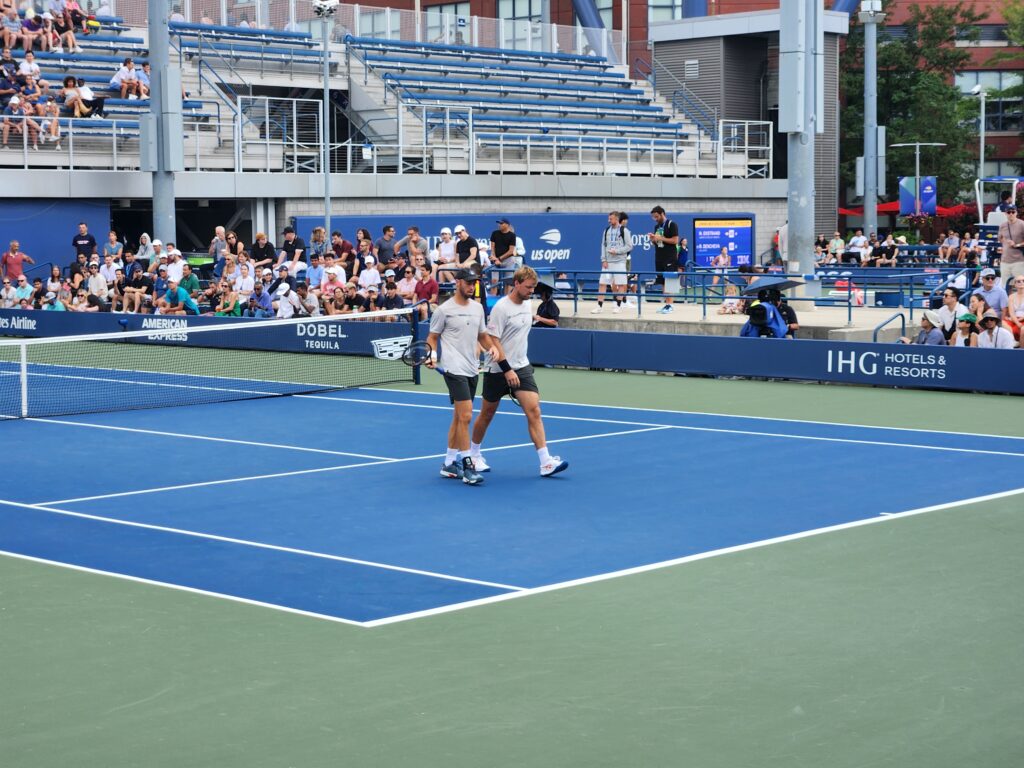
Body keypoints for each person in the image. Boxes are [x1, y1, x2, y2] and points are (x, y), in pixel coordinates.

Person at [468, 266, 568, 478]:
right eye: (529, 287)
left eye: (533, 287)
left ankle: (545, 462)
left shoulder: (527, 303)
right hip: (498, 368)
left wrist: (515, 368)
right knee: (487, 414)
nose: (532, 291)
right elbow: (493, 340)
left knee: (534, 411)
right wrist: (507, 370)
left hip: (522, 367)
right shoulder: (501, 308)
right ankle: (473, 454)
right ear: (517, 284)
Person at [424, 264, 494, 485]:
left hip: (472, 368)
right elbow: (432, 337)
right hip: (453, 368)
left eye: (474, 283)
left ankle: (448, 463)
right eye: (468, 283)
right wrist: (432, 355)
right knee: (465, 416)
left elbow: (482, 335)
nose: (472, 287)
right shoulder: (444, 310)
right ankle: (467, 465)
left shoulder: (478, 308)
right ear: (458, 283)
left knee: (458, 417)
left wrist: (492, 348)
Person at [592, 211, 629, 314]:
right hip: (607, 263)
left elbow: (629, 246)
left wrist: (617, 251)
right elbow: (603, 245)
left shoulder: (624, 230)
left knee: (621, 284)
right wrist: (603, 259)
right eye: (609, 219)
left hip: (619, 262)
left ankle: (618, 306)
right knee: (602, 283)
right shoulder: (606, 230)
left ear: (617, 219)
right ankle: (599, 307)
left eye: (611, 219)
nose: (609, 220)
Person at [648, 206, 679, 313]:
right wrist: (653, 240)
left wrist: (661, 238)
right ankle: (667, 304)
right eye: (653, 217)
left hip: (670, 257)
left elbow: (675, 240)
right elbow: (657, 242)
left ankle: (670, 305)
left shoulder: (672, 224)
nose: (655, 219)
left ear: (662, 214)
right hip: (659, 257)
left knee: (670, 281)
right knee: (662, 281)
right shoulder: (657, 227)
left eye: (656, 216)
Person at [997, 207, 1024, 291]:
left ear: (1016, 213)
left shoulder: (1022, 224)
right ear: (1005, 214)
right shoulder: (1002, 225)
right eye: (1009, 212)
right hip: (1005, 261)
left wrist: (1017, 245)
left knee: (1020, 286)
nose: (1011, 214)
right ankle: (1009, 303)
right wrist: (1005, 241)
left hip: (1018, 260)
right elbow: (1000, 238)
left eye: (1013, 212)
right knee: (1005, 287)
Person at [1003, 275, 1024, 343]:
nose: (1021, 282)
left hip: (1022, 318)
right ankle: (1013, 342)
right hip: (1014, 319)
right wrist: (1017, 322)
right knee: (1002, 323)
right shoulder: (1011, 296)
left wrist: (1021, 318)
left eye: (1023, 281)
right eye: (1018, 281)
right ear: (1015, 284)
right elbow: (1011, 312)